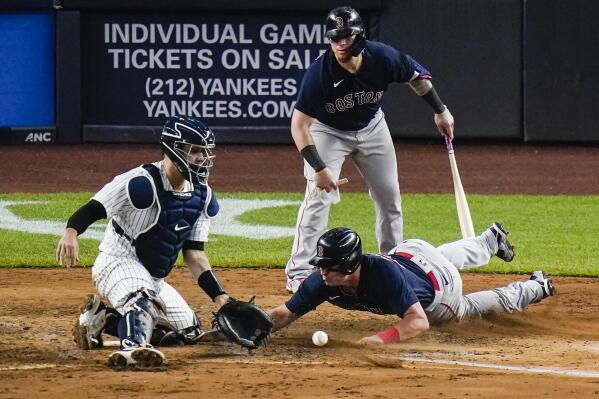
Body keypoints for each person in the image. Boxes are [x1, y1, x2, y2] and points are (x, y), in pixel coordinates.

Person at [285, 6, 455, 293]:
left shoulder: (383, 57)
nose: (340, 43)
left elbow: (417, 79)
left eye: (346, 37)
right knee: (317, 198)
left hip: (372, 127)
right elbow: (299, 126)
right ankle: (298, 272)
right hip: (328, 132)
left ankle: (394, 263)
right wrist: (319, 168)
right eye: (334, 38)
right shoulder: (320, 72)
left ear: (360, 36)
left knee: (389, 196)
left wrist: (441, 111)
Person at [56, 115, 229, 369]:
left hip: (154, 279)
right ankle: (133, 348)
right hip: (117, 262)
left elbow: (194, 254)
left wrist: (220, 296)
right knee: (141, 300)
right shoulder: (139, 182)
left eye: (204, 152)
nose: (201, 158)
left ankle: (101, 318)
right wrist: (71, 232)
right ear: (174, 148)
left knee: (187, 332)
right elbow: (93, 209)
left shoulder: (202, 195)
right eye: (194, 151)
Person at [271, 225, 555, 344]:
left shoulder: (384, 278)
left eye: (328, 267)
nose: (321, 273)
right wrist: (248, 325)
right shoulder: (321, 282)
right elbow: (284, 314)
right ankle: (488, 241)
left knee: (466, 309)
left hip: (440, 288)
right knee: (439, 256)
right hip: (412, 253)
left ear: (347, 265)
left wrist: (381, 339)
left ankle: (536, 287)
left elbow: (418, 322)